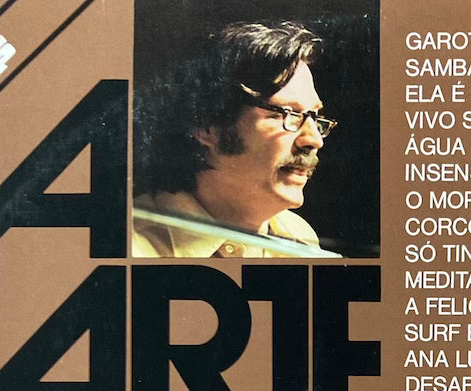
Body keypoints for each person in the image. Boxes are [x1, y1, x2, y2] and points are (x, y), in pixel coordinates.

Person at [132, 22, 336, 257]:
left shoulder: (299, 235)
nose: (314, 140)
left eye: (315, 116)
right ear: (208, 126)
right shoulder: (132, 248)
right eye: (286, 113)